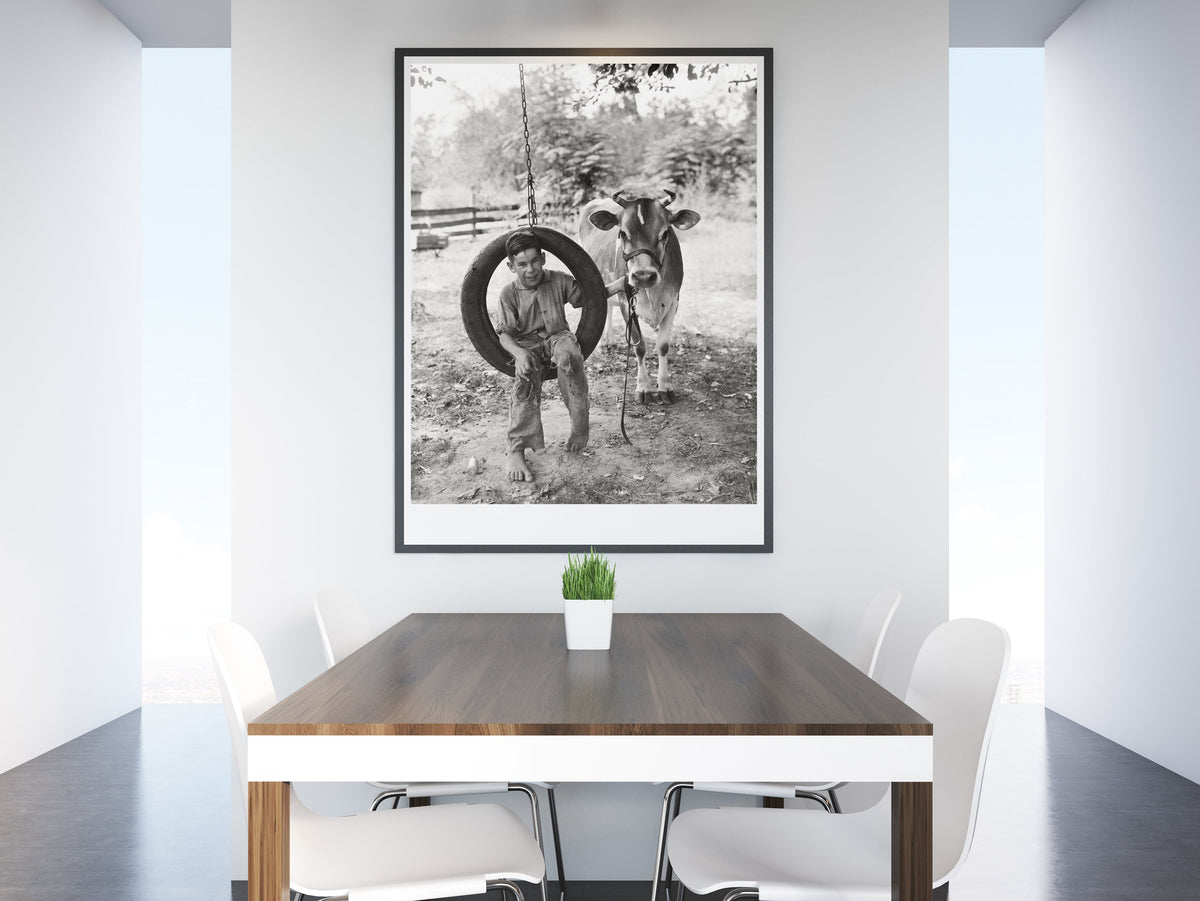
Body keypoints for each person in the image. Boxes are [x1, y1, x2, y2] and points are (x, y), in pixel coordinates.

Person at [496, 230, 625, 482]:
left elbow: (591, 298)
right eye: (522, 264)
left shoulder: (558, 280)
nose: (530, 269)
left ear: (543, 258)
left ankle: (579, 426)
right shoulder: (508, 294)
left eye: (534, 261)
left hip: (558, 336)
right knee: (525, 380)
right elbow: (504, 335)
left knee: (570, 356)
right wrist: (520, 353)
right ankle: (516, 450)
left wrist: (619, 285)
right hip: (527, 345)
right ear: (511, 266)